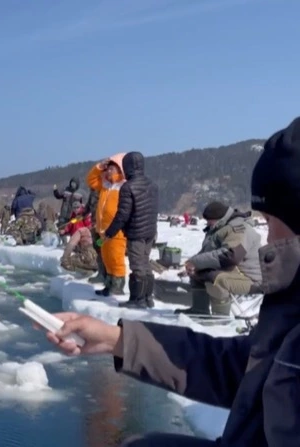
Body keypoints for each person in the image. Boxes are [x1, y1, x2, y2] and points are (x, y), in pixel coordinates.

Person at [41, 116, 300, 446]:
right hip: (137, 237)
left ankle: (137, 296)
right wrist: (117, 340)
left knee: (138, 268)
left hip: (131, 237)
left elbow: (230, 257)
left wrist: (112, 230)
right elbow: (249, 370)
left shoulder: (127, 190)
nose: (267, 240)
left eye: (271, 223)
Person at [174, 201, 262, 316]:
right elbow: (207, 253)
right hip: (234, 272)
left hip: (251, 279)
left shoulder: (238, 228)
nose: (207, 223)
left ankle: (220, 317)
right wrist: (192, 265)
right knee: (197, 272)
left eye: (209, 220)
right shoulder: (219, 228)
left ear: (217, 218)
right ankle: (199, 311)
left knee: (215, 278)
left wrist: (195, 262)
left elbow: (231, 256)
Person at [104, 152, 159, 309]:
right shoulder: (153, 185)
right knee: (145, 263)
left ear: (127, 167)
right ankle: (148, 298)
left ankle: (138, 300)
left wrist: (110, 232)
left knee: (137, 266)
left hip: (136, 232)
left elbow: (123, 214)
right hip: (150, 231)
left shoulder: (128, 187)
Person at [86, 154, 127, 296]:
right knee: (107, 258)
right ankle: (109, 285)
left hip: (117, 231)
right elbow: (91, 180)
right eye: (107, 169)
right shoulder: (105, 186)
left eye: (112, 169)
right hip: (103, 230)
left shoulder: (123, 187)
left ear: (119, 170)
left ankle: (118, 286)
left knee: (116, 258)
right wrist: (99, 167)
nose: (108, 172)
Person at [60, 203, 97, 272]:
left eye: (77, 207)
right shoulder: (74, 217)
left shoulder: (84, 215)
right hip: (76, 238)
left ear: (80, 207)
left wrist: (89, 231)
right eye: (74, 208)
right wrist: (64, 230)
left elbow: (89, 226)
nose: (75, 209)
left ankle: (84, 268)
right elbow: (70, 225)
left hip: (84, 237)